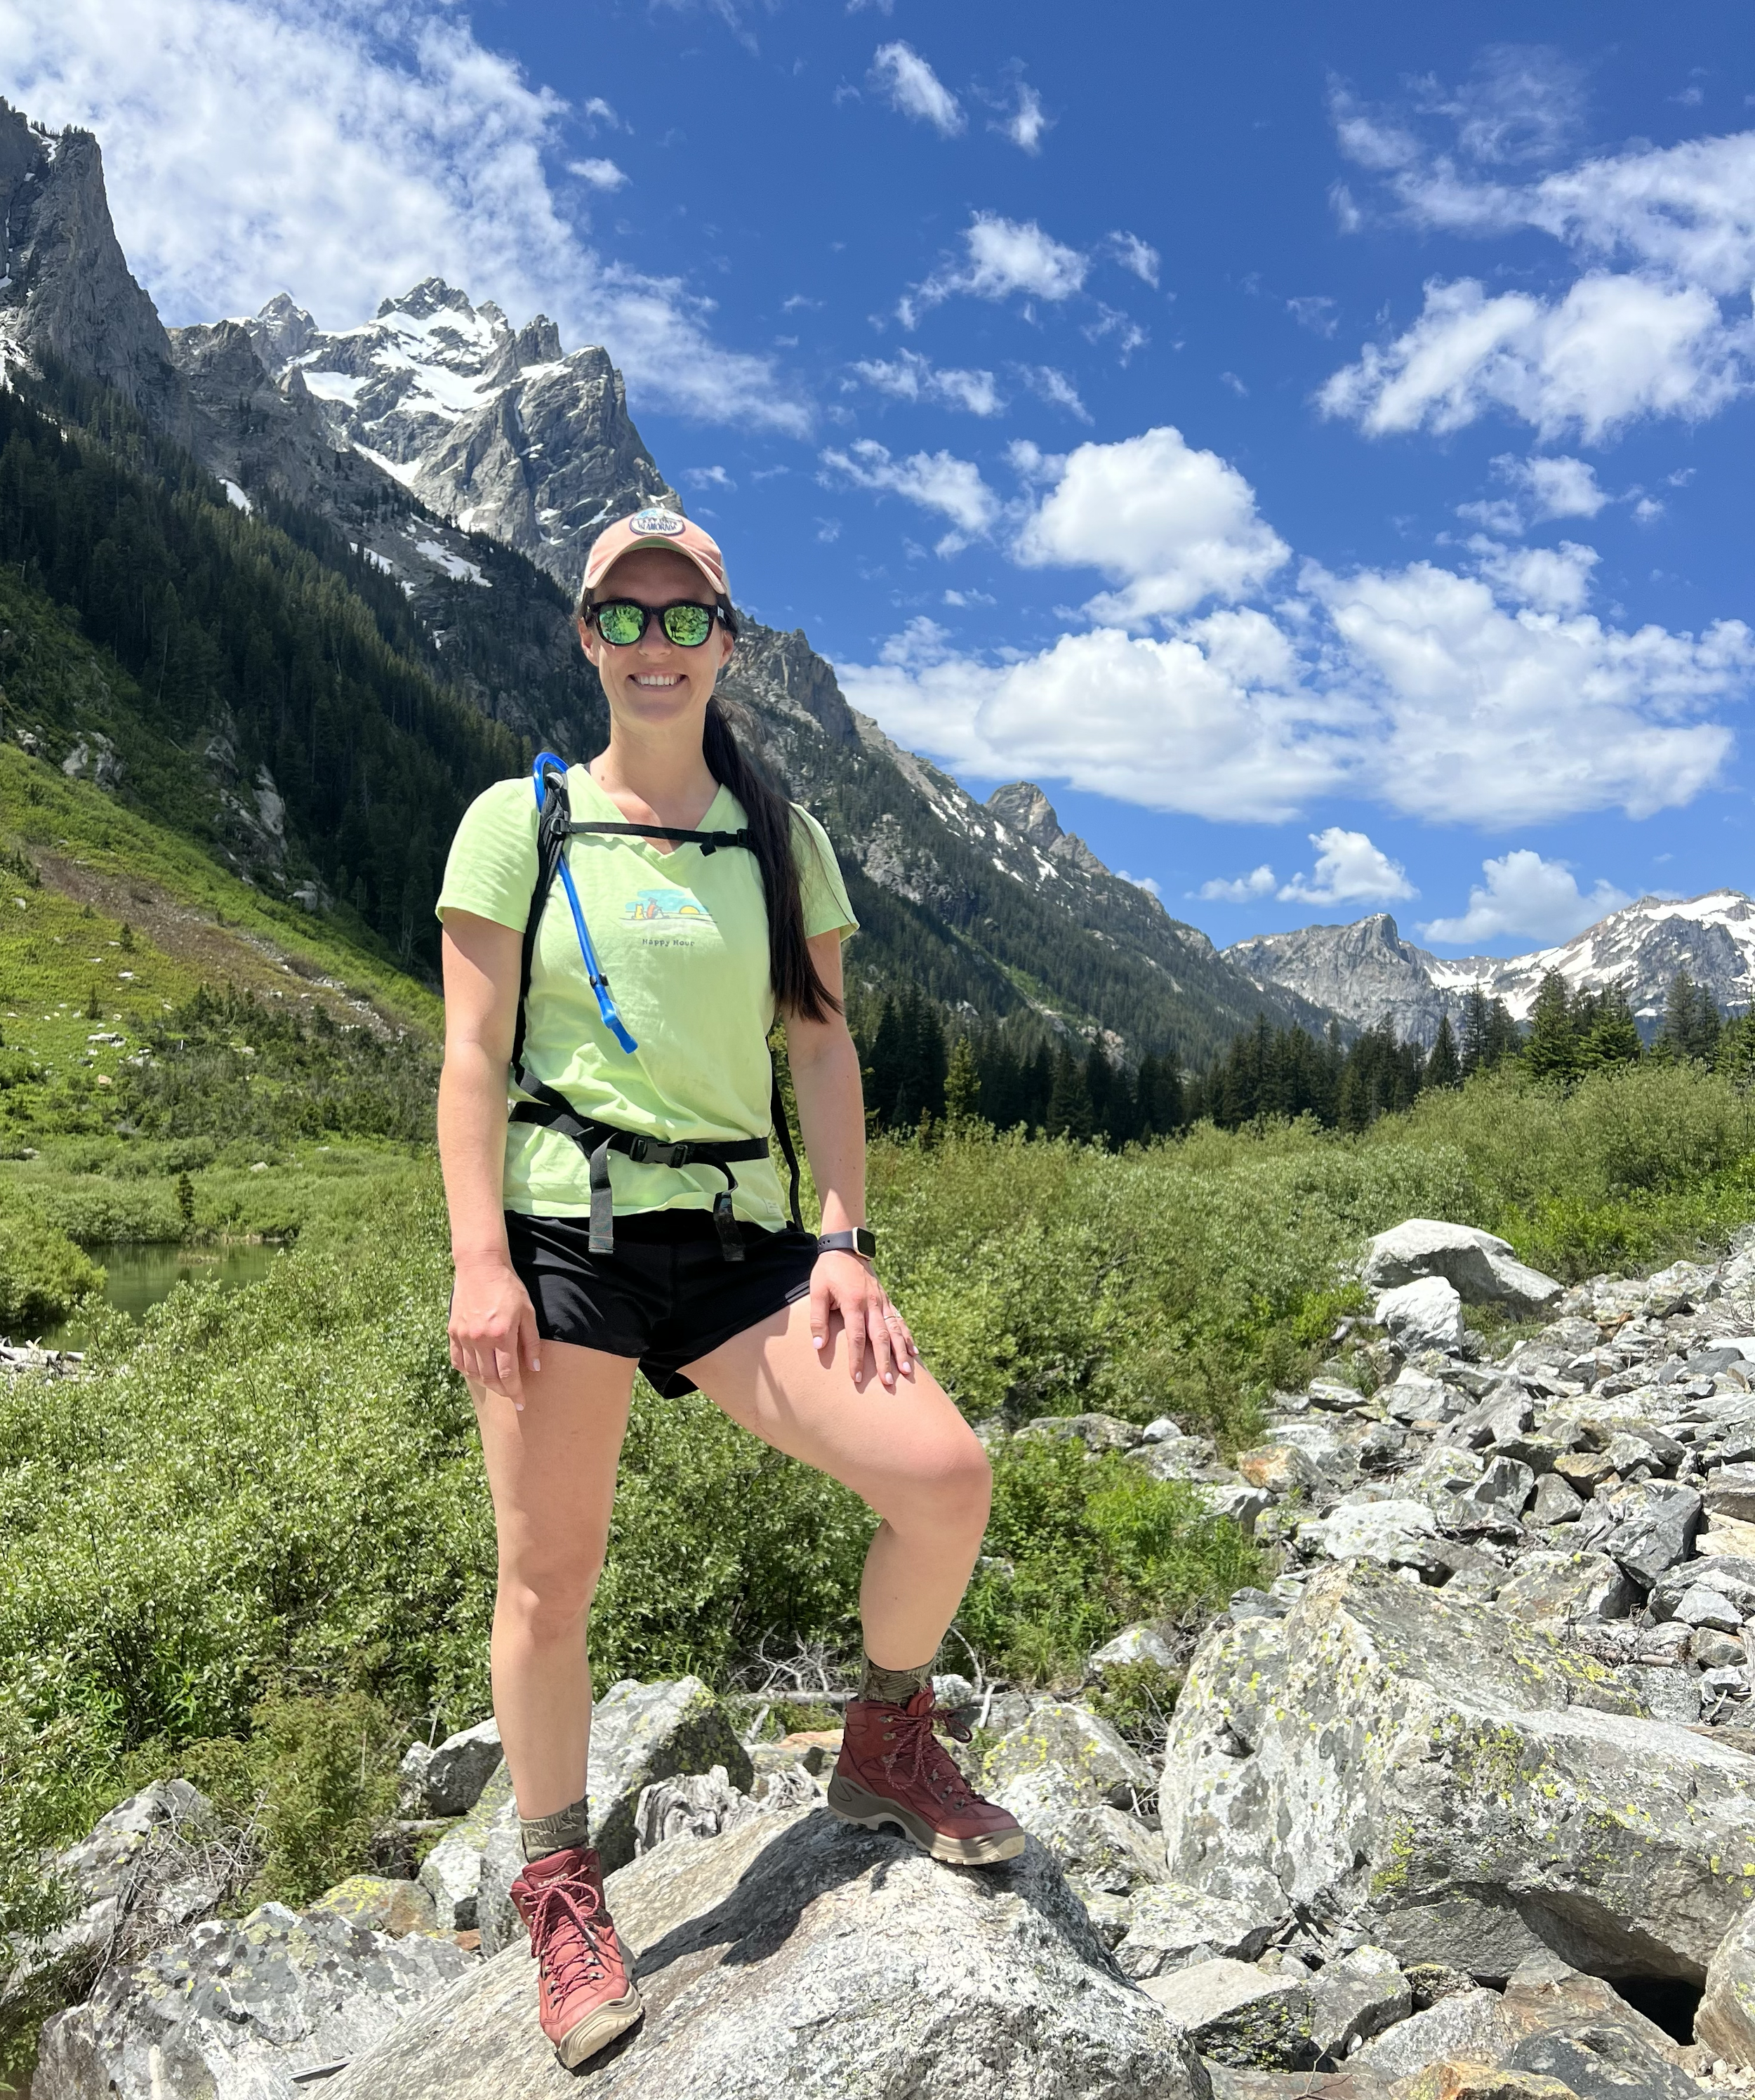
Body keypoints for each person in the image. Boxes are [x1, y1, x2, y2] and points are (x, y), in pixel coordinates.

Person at [435, 508, 1021, 2070]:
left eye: (682, 618)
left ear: (725, 645)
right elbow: (473, 1057)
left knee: (943, 1478)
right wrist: (479, 1258)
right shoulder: (521, 819)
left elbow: (820, 1046)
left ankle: (886, 1738)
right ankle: (561, 1884)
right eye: (621, 617)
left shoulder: (782, 833)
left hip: (745, 1243)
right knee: (547, 1576)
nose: (651, 645)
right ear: (582, 638)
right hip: (565, 1232)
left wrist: (843, 1237)